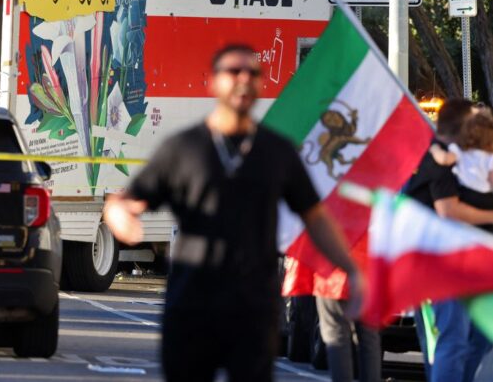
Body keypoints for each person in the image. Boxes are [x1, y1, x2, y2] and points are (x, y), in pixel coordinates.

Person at [103, 44, 364, 382]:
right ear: (214, 82)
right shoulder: (184, 148)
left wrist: (351, 269)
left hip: (253, 309)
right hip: (192, 307)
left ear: (260, 84)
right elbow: (125, 202)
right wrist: (121, 218)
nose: (243, 79)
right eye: (233, 72)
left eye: (252, 73)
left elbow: (315, 218)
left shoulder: (277, 151)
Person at [404, 98, 493, 382]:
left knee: (478, 338)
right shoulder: (440, 157)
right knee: (451, 339)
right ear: (462, 125)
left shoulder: (469, 155)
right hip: (437, 261)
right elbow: (448, 211)